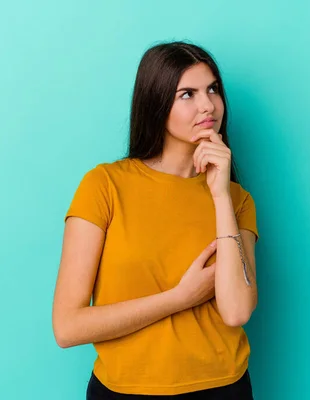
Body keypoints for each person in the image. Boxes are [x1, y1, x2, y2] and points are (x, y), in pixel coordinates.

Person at [52, 41, 259, 399]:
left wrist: (221, 195)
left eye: (212, 89)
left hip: (223, 387)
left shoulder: (237, 200)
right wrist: (179, 298)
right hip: (125, 391)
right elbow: (67, 327)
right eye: (187, 94)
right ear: (157, 103)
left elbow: (237, 310)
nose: (207, 105)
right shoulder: (104, 186)